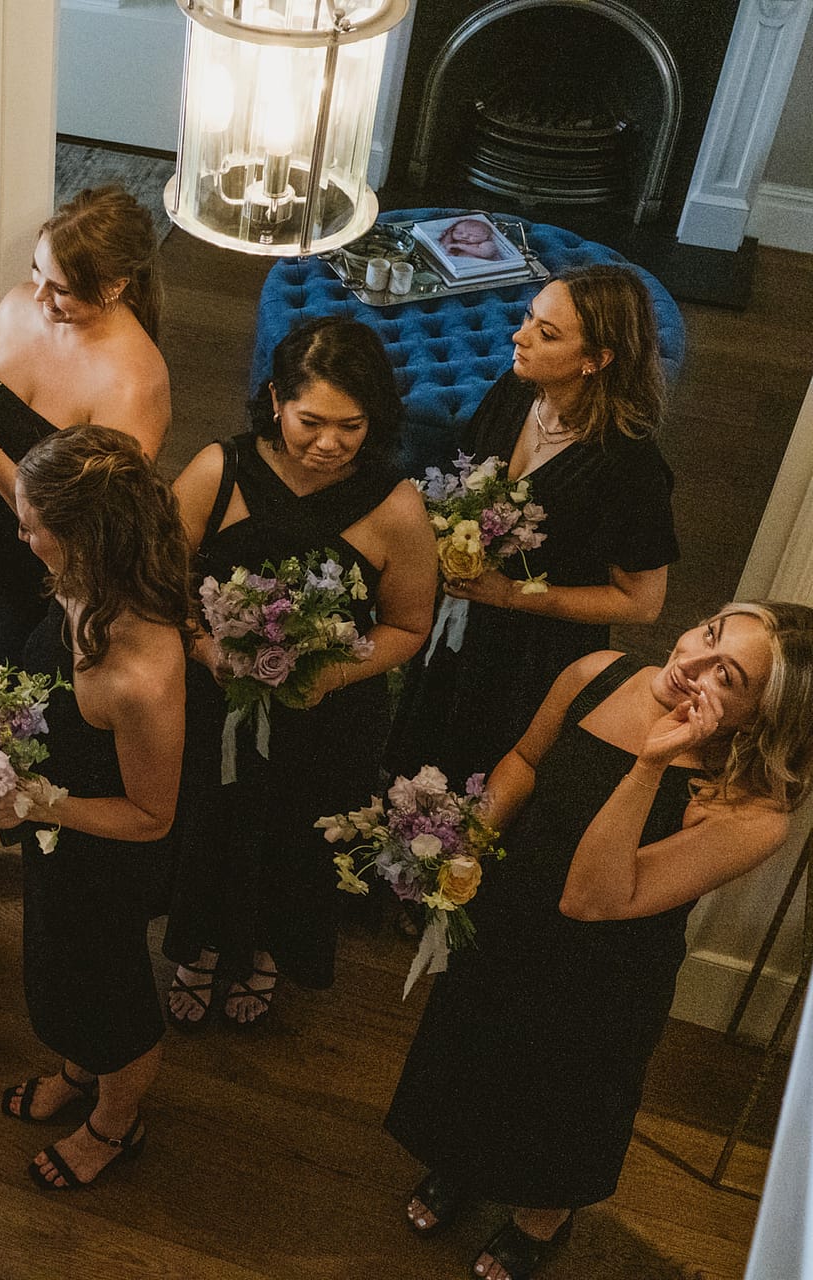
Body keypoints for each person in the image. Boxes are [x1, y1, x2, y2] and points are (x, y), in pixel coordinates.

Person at [387, 603, 813, 1280]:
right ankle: (461, 1161)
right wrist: (464, 846)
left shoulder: (752, 813)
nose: (692, 663)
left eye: (727, 676)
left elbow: (592, 898)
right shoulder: (596, 673)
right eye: (707, 636)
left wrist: (651, 765)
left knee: (563, 1094)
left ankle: (542, 1218)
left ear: (760, 717)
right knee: (475, 1048)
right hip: (511, 914)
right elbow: (526, 760)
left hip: (602, 971)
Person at [0, 185, 172, 907]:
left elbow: (97, 530)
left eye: (64, 290)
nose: (40, 298)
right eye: (38, 274)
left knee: (11, 710)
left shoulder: (135, 380)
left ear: (115, 285)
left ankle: (5, 836)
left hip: (48, 581)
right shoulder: (19, 305)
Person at [162, 318, 437, 1027]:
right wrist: (201, 646)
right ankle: (195, 945)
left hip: (328, 718)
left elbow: (408, 627)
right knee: (209, 824)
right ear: (276, 399)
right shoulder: (217, 470)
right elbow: (160, 575)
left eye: (351, 425)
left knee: (296, 842)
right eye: (310, 421)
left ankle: (266, 954)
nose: (329, 443)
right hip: (214, 702)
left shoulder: (397, 508)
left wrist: (329, 677)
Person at [0, 426, 187, 1190]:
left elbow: (152, 816)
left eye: (33, 524)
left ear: (83, 537)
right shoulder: (87, 585)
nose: (21, 533)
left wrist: (35, 801)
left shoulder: (138, 673)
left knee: (113, 994)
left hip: (108, 851)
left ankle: (114, 1119)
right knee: (59, 965)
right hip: (58, 833)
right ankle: (78, 1068)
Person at [388, 264, 678, 785]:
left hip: (532, 658)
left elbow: (642, 602)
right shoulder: (518, 389)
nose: (519, 336)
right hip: (462, 617)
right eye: (528, 317)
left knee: (485, 773)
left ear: (595, 360)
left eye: (547, 334)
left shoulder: (630, 467)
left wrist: (512, 595)